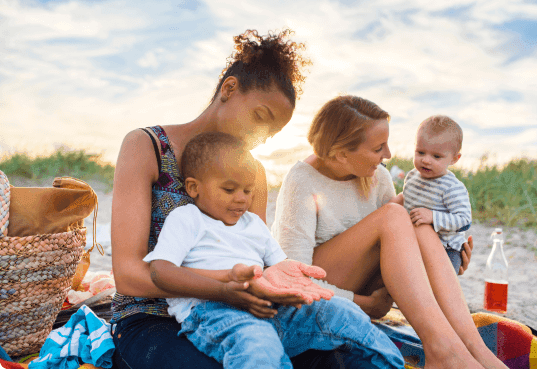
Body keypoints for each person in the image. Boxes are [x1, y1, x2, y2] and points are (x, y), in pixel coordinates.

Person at [110, 30, 373, 369]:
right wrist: (220, 288)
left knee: (343, 357)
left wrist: (273, 282)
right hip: (150, 318)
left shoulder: (253, 175)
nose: (260, 138)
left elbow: (254, 263)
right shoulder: (147, 147)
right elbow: (128, 276)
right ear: (229, 89)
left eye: (272, 132)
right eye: (260, 118)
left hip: (233, 315)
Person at [273, 95, 508, 369]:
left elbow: (399, 252)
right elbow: (295, 281)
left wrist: (447, 261)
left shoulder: (377, 175)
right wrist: (364, 303)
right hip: (317, 294)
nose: (388, 155)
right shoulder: (301, 181)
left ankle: (474, 350)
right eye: (378, 148)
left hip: (367, 286)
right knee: (397, 213)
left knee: (418, 222)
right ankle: (443, 352)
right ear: (341, 154)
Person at [143, 131, 406, 369]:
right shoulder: (187, 219)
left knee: (342, 312)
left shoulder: (253, 223)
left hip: (270, 307)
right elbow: (161, 271)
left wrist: (291, 280)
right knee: (258, 345)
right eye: (229, 189)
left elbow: (279, 266)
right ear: (193, 188)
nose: (241, 199)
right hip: (213, 312)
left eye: (247, 190)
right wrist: (225, 289)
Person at [392, 115, 472, 274]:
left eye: (436, 156)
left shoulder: (451, 187)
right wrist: (391, 206)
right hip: (414, 245)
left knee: (441, 285)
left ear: (454, 159)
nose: (426, 160)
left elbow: (464, 221)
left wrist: (433, 217)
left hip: (446, 249)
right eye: (420, 152)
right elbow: (406, 197)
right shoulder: (412, 177)